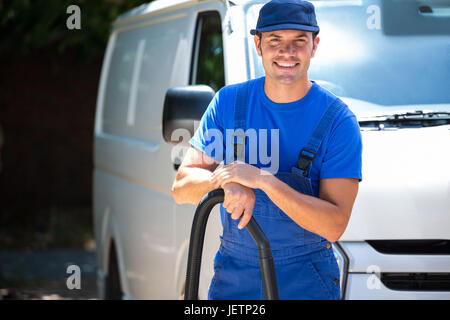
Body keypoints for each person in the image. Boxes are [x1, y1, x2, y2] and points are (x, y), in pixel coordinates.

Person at [171, 0, 362, 300]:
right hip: (235, 279)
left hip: (306, 281)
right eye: (275, 40)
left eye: (299, 41)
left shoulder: (338, 121)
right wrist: (226, 183)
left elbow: (334, 225)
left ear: (315, 46)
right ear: (258, 45)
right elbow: (181, 187)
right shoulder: (228, 104)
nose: (287, 52)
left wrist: (263, 181)